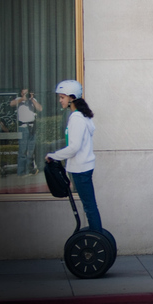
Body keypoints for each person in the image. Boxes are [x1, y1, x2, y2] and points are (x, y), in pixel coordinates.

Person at [45, 80, 102, 233]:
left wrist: (54, 155)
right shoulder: (82, 116)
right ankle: (97, 238)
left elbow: (74, 147)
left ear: (71, 98)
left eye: (62, 97)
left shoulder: (76, 118)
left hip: (80, 169)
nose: (60, 100)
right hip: (84, 167)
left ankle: (97, 239)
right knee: (89, 205)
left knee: (89, 206)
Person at [11, 88, 42, 176]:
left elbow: (40, 109)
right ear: (21, 92)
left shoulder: (33, 100)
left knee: (31, 151)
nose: (26, 94)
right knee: (23, 151)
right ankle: (21, 172)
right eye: (25, 92)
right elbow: (11, 104)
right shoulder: (18, 100)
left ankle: (29, 170)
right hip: (23, 127)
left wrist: (32, 99)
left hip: (32, 127)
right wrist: (22, 99)